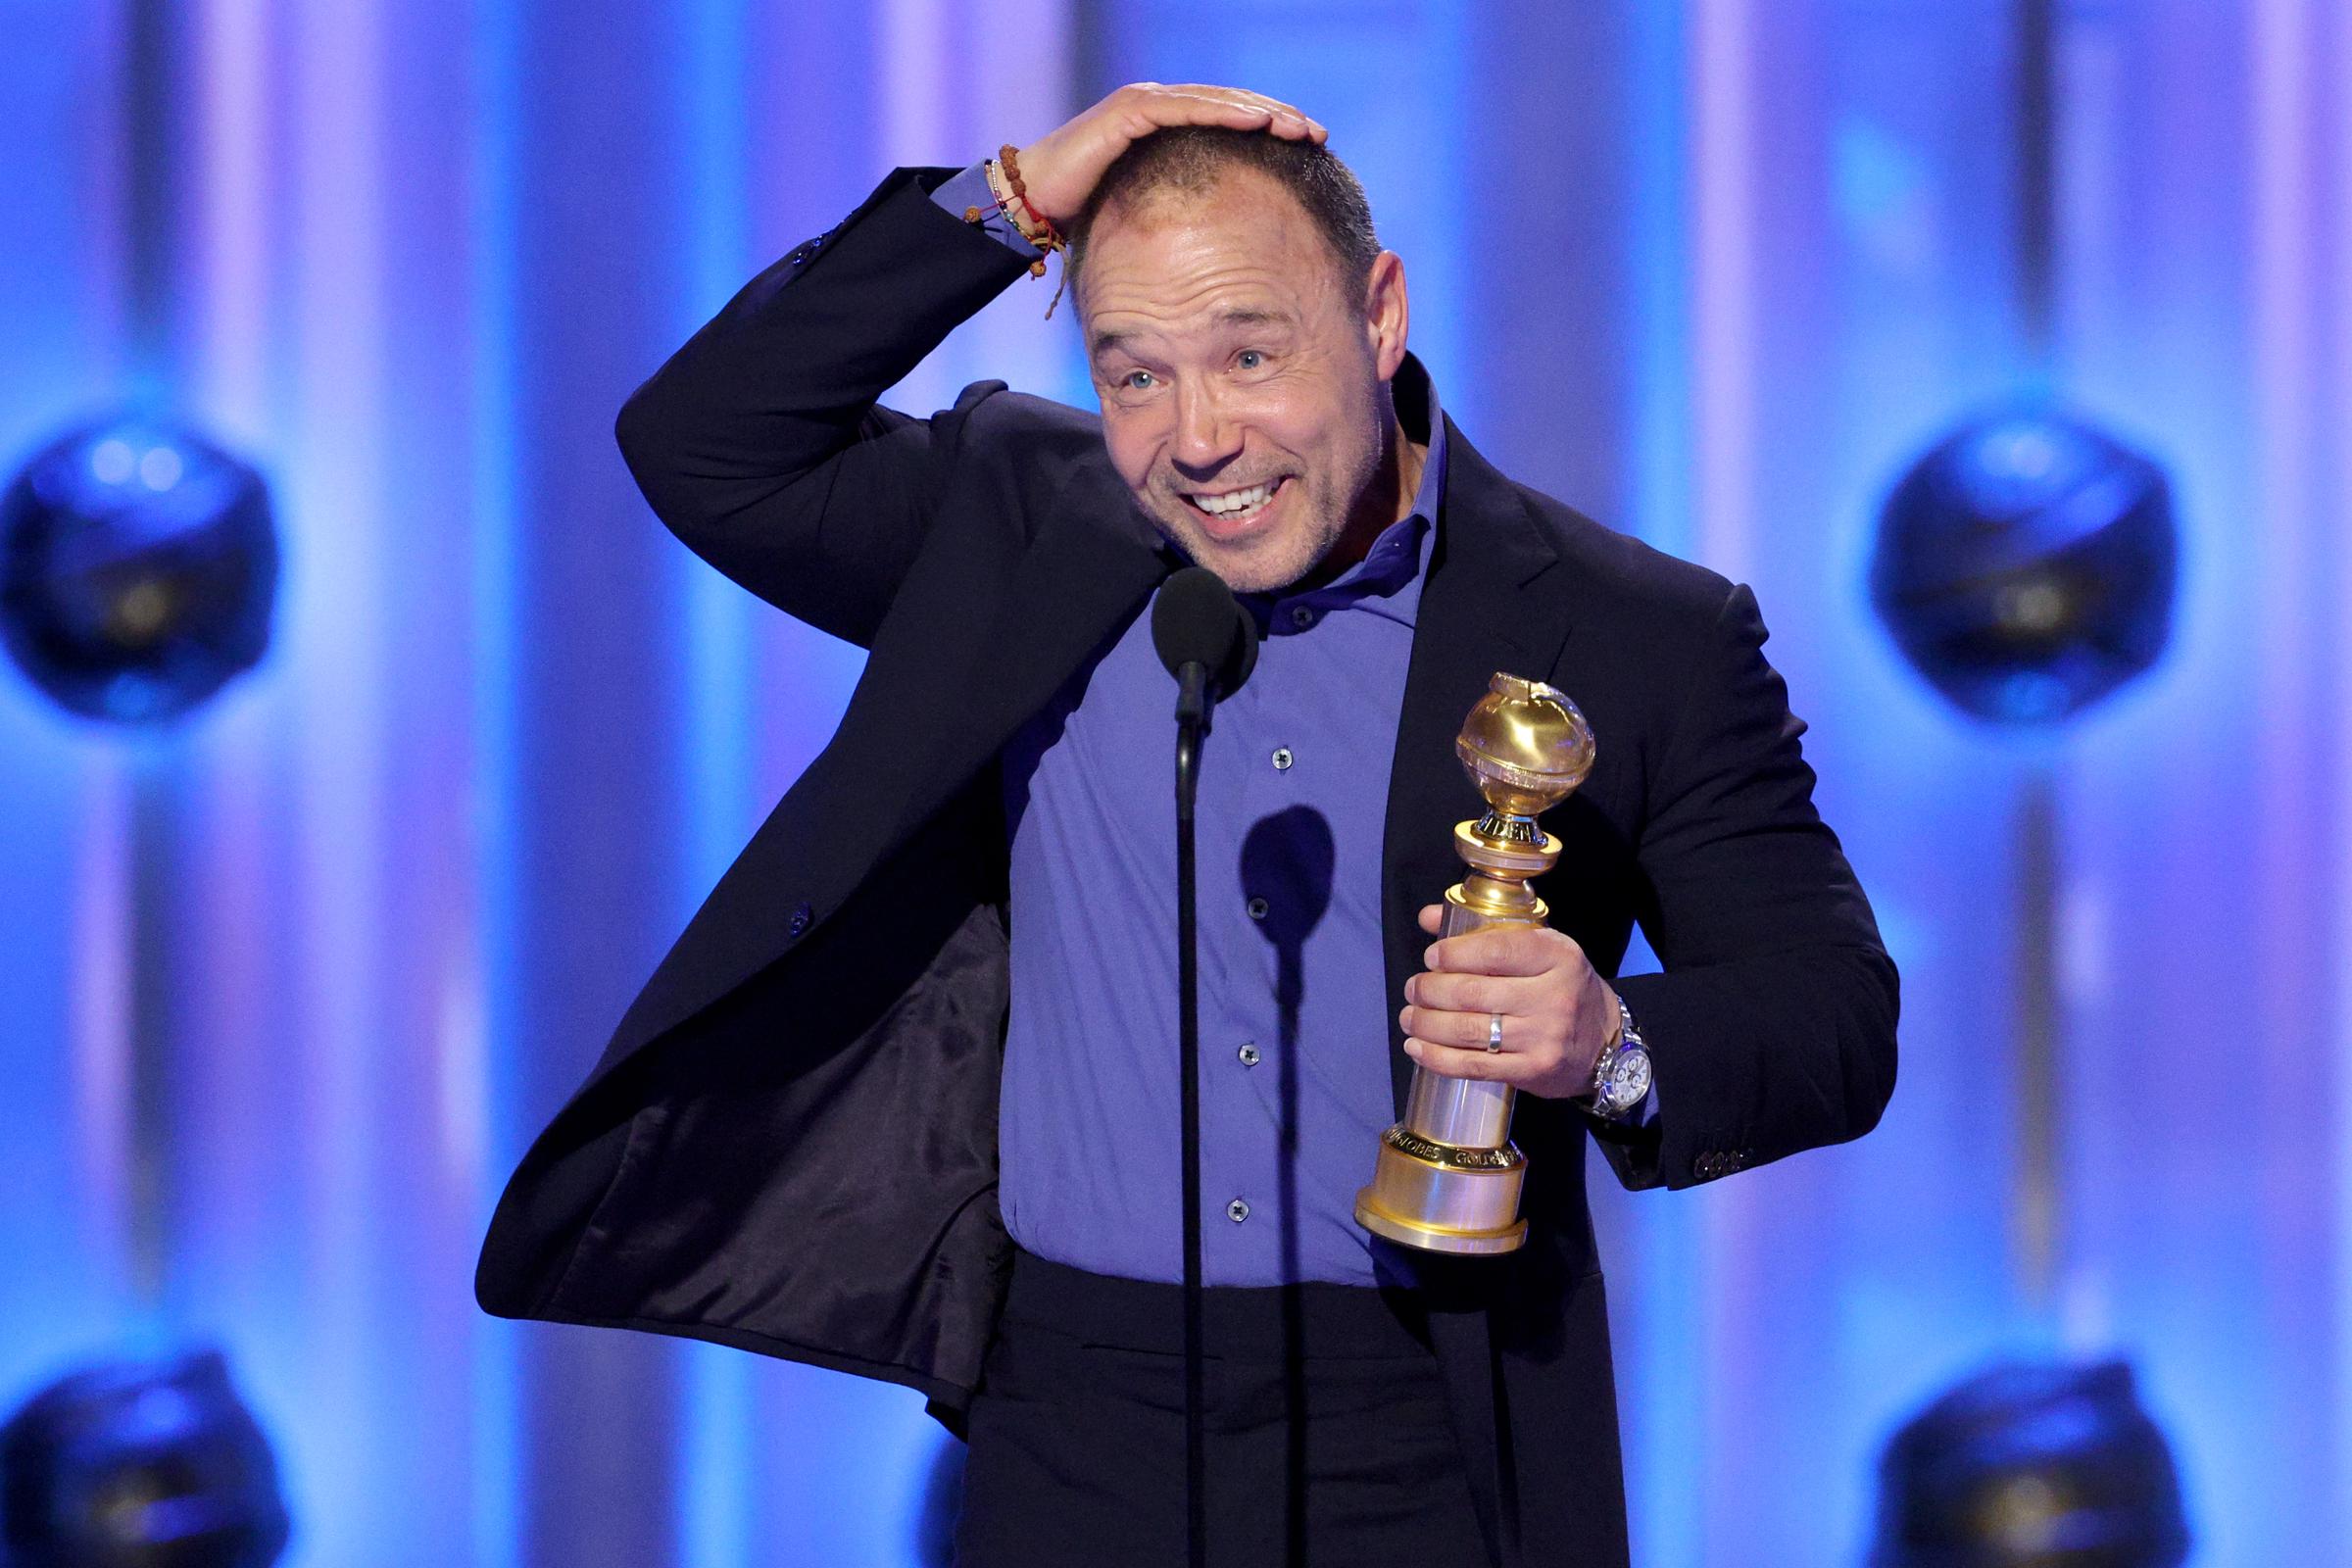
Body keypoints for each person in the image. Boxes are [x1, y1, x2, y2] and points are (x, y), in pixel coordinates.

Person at [475, 83, 1899, 1567]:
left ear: (1381, 315)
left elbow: (1835, 1016)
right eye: (1133, 373)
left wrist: (1605, 1041)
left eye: (1250, 354)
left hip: (1423, 1420)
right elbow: (709, 439)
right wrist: (1010, 196)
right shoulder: (1022, 519)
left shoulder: (1637, 631)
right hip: (1067, 1413)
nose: (1197, 437)